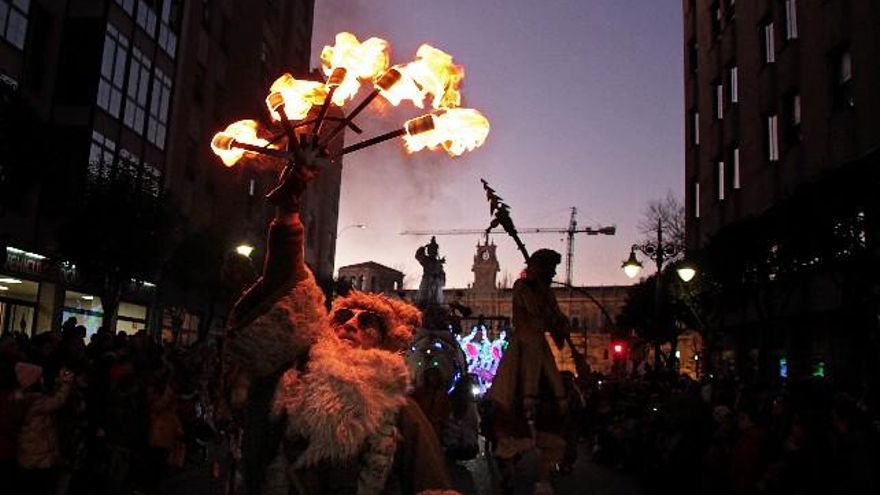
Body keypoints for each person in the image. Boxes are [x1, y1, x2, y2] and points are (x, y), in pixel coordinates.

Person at [224, 142, 456, 495]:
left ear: (385, 342)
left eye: (368, 323)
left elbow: (432, 486)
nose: (351, 323)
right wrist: (288, 210)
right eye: (345, 315)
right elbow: (285, 284)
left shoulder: (401, 411)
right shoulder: (289, 377)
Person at [486, 249, 570, 495]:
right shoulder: (522, 287)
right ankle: (509, 468)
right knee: (510, 397)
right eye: (550, 269)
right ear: (539, 268)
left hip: (540, 350)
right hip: (522, 348)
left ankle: (543, 478)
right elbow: (535, 311)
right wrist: (548, 309)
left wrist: (561, 323)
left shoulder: (547, 291)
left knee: (556, 398)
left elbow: (555, 316)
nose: (553, 273)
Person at [415, 236, 446, 307]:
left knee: (435, 299)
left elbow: (442, 274)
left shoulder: (438, 263)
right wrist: (423, 248)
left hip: (436, 283)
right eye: (431, 249)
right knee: (425, 298)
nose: (433, 251)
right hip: (427, 281)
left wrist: (440, 278)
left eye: (434, 250)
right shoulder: (426, 260)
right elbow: (418, 256)